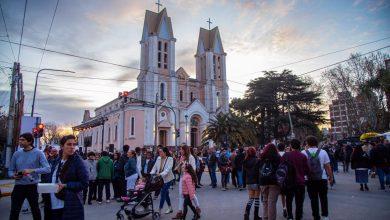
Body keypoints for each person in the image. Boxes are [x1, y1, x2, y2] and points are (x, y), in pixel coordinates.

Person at [42, 135, 88, 220]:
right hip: (52, 203)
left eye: (74, 144)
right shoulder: (57, 161)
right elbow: (52, 178)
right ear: (62, 146)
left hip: (69, 204)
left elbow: (84, 183)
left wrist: (66, 185)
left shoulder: (78, 162)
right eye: (69, 144)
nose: (72, 147)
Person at [8, 132, 50, 220]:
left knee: (35, 210)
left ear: (30, 141)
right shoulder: (17, 154)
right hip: (18, 186)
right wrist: (13, 175)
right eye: (20, 140)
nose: (20, 142)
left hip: (32, 186)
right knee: (14, 211)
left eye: (22, 140)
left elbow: (47, 169)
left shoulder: (38, 153)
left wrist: (33, 170)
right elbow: (10, 170)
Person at [302, 136, 333, 220]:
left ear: (307, 143)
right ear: (316, 143)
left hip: (309, 179)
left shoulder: (303, 153)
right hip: (322, 178)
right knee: (323, 198)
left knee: (313, 199)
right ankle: (325, 216)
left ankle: (316, 216)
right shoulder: (323, 152)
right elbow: (328, 166)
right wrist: (330, 177)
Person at [282, 139, 310, 220]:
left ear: (291, 146)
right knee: (299, 202)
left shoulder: (286, 155)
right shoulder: (303, 156)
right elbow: (307, 170)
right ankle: (298, 216)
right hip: (300, 182)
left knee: (289, 200)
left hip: (289, 182)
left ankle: (290, 216)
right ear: (300, 146)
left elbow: (282, 168)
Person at [172, 145, 200, 219]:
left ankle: (197, 208)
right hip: (182, 177)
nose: (180, 151)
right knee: (181, 194)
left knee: (192, 194)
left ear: (185, 150)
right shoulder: (182, 157)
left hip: (189, 178)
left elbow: (193, 169)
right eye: (180, 149)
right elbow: (179, 169)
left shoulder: (191, 158)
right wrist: (179, 165)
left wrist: (186, 169)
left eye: (181, 150)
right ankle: (179, 212)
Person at [259, 143, 281, 220]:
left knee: (265, 201)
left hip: (263, 181)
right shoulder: (278, 158)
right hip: (274, 182)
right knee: (272, 202)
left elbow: (258, 169)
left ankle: (265, 217)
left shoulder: (262, 157)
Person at [150, 147, 174, 214]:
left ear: (165, 152)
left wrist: (160, 174)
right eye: (159, 152)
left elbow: (168, 169)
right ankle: (170, 208)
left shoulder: (170, 159)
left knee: (163, 193)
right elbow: (154, 167)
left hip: (168, 179)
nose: (159, 153)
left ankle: (159, 210)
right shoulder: (158, 158)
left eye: (161, 152)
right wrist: (151, 174)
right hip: (160, 179)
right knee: (166, 194)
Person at [243, 147, 260, 220]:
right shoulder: (257, 160)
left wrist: (244, 183)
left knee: (250, 199)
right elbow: (259, 172)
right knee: (256, 199)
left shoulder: (245, 161)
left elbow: (244, 173)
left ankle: (246, 213)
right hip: (256, 181)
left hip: (248, 182)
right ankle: (256, 216)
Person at [277, 143, 287, 218]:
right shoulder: (288, 155)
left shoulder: (276, 156)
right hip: (287, 176)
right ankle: (286, 207)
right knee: (287, 194)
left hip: (278, 177)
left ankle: (284, 207)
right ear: (284, 148)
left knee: (282, 194)